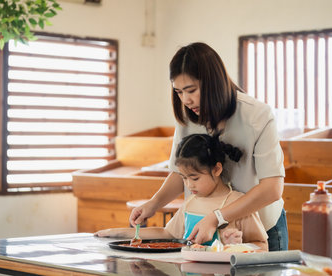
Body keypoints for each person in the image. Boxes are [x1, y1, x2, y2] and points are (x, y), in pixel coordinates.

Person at [129, 42, 288, 251]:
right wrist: (153, 204)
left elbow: (272, 189)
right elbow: (181, 173)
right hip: (206, 229)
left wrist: (218, 217)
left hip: (259, 231)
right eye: (178, 92)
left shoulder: (257, 115)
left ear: (213, 83)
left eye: (191, 90)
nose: (186, 100)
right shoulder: (188, 119)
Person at [95, 133, 269, 251]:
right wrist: (118, 233)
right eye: (184, 178)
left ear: (216, 169)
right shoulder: (191, 202)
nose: (188, 185)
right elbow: (167, 234)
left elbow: (262, 245)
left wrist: (237, 247)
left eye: (194, 178)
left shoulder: (238, 204)